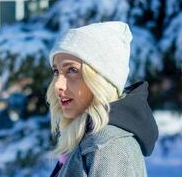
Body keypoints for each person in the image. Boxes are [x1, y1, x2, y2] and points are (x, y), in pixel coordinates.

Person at [47, 21, 158, 177]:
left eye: (72, 70)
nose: (58, 84)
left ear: (101, 79)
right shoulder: (89, 139)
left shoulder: (109, 147)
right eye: (56, 71)